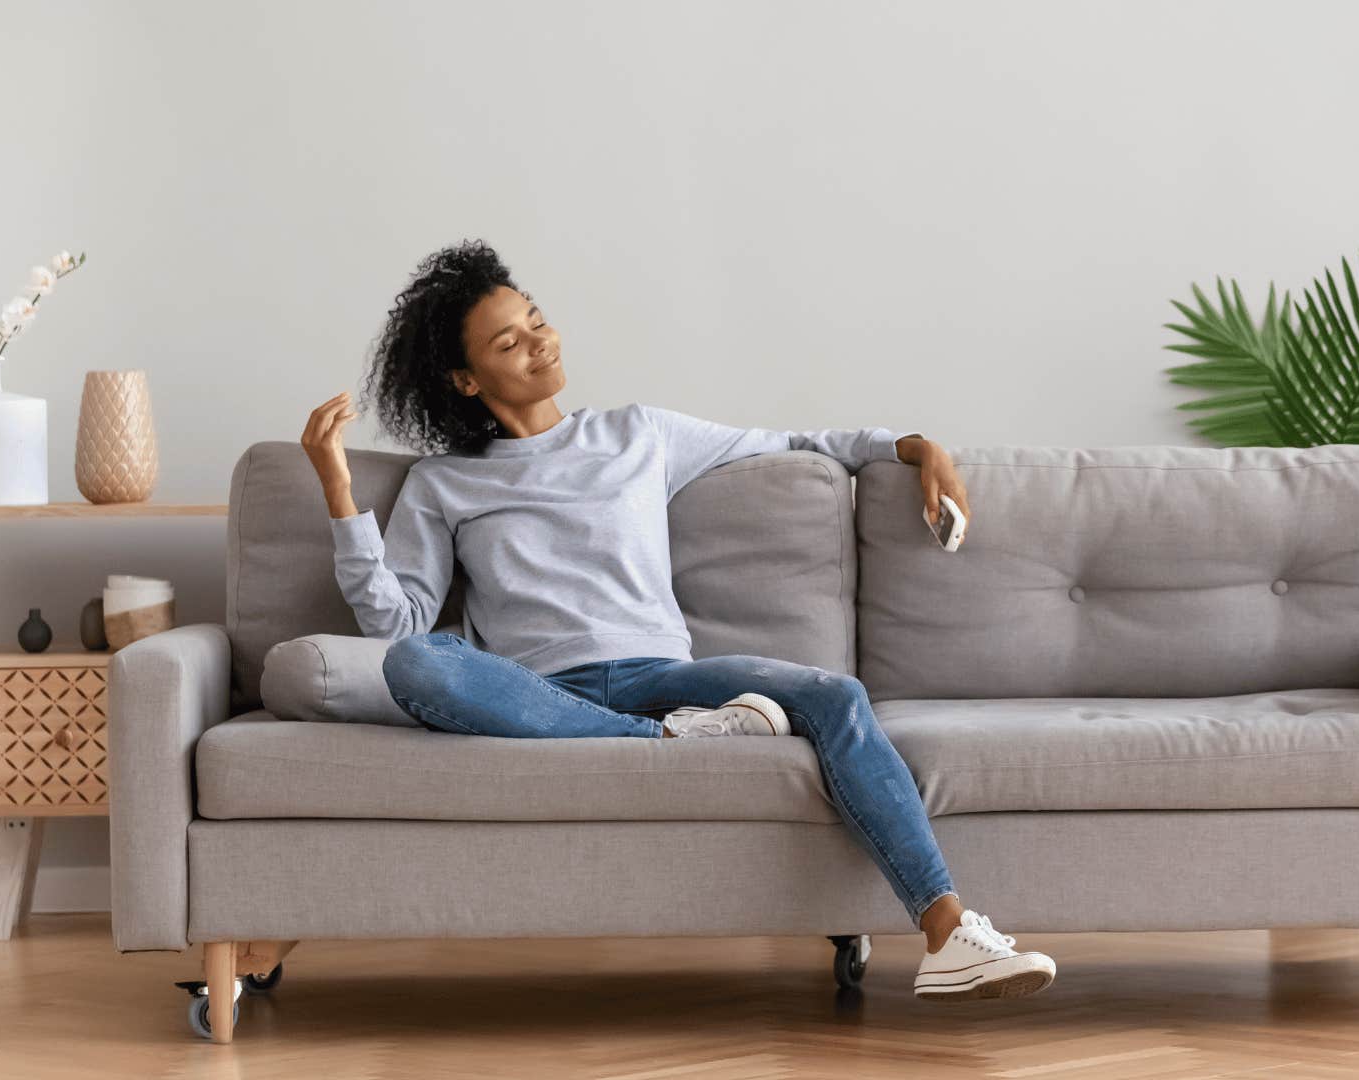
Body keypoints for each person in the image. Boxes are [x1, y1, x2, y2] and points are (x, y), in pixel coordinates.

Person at [299, 239, 1055, 1002]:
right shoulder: (443, 484)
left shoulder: (638, 435)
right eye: (508, 341)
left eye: (537, 321)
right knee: (417, 665)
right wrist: (339, 490)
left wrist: (921, 448)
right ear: (465, 380)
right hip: (541, 697)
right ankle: (667, 741)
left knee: (835, 695)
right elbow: (398, 625)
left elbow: (797, 442)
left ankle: (949, 931)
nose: (539, 343)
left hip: (665, 676)